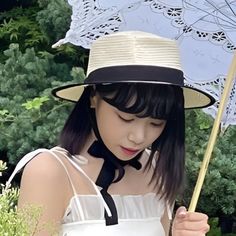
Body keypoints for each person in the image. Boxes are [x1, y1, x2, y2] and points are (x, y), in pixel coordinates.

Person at [7, 31, 215, 236]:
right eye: (126, 118)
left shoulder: (157, 167)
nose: (139, 137)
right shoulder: (50, 171)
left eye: (156, 123)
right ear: (93, 97)